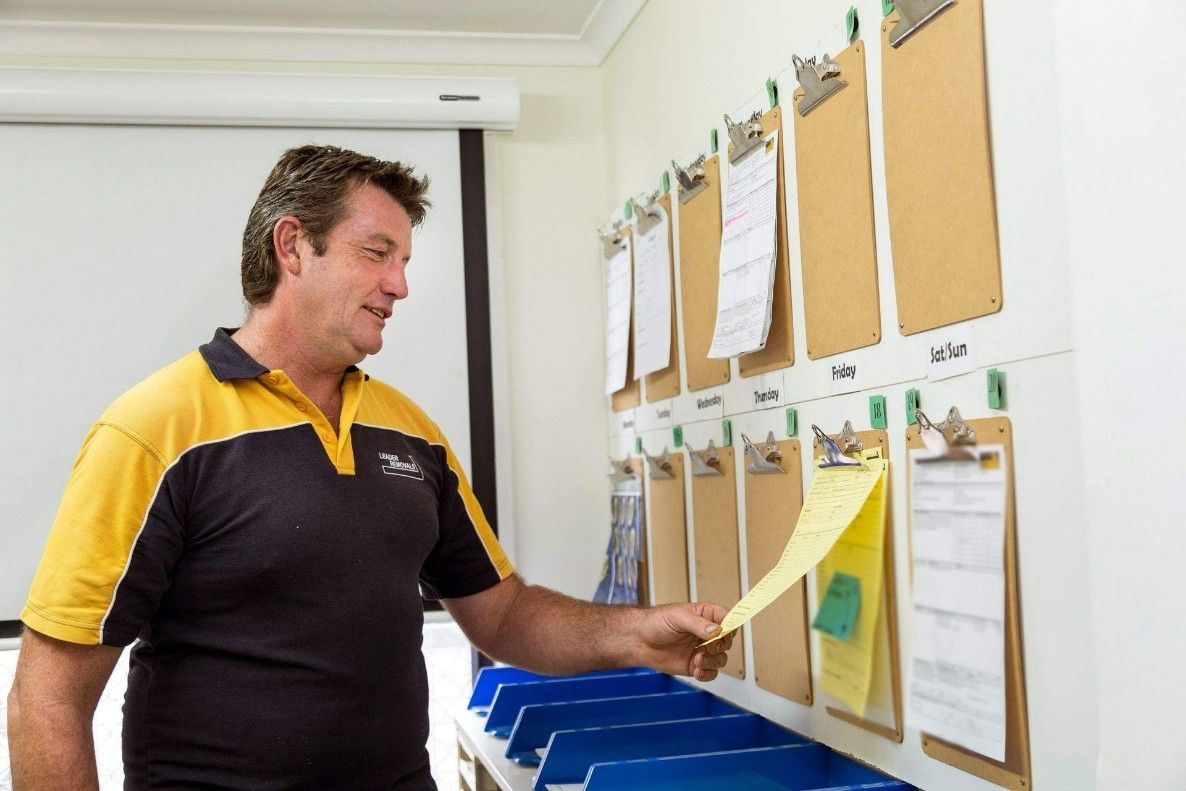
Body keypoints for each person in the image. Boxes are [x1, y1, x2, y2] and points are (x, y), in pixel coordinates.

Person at [6, 144, 734, 790]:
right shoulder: (155, 429)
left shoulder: (412, 433)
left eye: (405, 261)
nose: (400, 285)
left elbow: (504, 613)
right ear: (293, 247)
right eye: (376, 252)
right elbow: (48, 697)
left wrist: (640, 634)